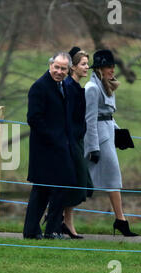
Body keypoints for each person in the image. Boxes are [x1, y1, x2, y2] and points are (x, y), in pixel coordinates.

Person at [84, 49, 138, 236]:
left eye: (113, 67)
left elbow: (107, 114)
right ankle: (59, 217)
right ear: (99, 68)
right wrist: (93, 147)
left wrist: (119, 133)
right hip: (98, 139)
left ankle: (120, 220)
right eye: (109, 67)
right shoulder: (91, 88)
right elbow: (90, 119)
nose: (112, 70)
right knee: (84, 182)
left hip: (107, 134)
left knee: (110, 179)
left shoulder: (107, 85)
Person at [23, 52, 77, 240]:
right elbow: (33, 118)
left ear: (68, 70)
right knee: (43, 189)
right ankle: (40, 231)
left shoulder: (63, 87)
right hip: (44, 148)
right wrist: (54, 138)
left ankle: (44, 230)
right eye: (56, 67)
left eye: (63, 69)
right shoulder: (39, 87)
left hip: (61, 146)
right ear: (50, 65)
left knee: (57, 188)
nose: (59, 71)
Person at [61, 47, 94, 239]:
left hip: (78, 141)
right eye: (83, 64)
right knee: (79, 184)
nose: (86, 67)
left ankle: (66, 222)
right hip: (70, 142)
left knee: (83, 185)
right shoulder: (68, 88)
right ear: (73, 67)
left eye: (87, 64)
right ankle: (60, 219)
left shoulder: (77, 88)